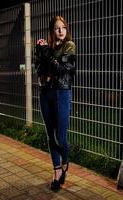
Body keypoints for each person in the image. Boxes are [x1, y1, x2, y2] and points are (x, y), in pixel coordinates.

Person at [35, 16, 76, 191]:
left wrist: (46, 56)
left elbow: (62, 70)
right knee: (50, 136)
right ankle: (57, 171)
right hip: (45, 93)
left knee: (61, 135)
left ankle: (65, 161)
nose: (60, 31)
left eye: (63, 27)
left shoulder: (70, 46)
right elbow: (39, 70)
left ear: (66, 29)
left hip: (62, 93)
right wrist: (41, 51)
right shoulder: (47, 47)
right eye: (57, 28)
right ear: (52, 31)